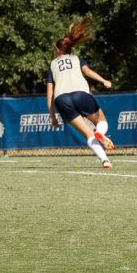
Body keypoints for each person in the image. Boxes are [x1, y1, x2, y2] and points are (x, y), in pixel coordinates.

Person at [46, 18, 115, 169]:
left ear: (58, 51)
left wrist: (52, 116)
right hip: (80, 94)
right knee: (102, 122)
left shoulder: (52, 65)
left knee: (88, 134)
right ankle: (101, 134)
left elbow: (50, 93)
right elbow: (87, 72)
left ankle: (105, 160)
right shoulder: (77, 59)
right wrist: (103, 81)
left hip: (61, 99)